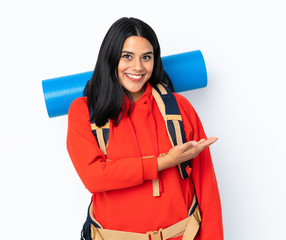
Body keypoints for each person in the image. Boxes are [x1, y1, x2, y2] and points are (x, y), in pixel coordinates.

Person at [67, 17, 223, 240]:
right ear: (110, 58)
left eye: (146, 57)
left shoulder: (180, 109)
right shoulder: (84, 112)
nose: (138, 67)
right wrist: (165, 161)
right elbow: (94, 177)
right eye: (127, 56)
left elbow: (206, 187)